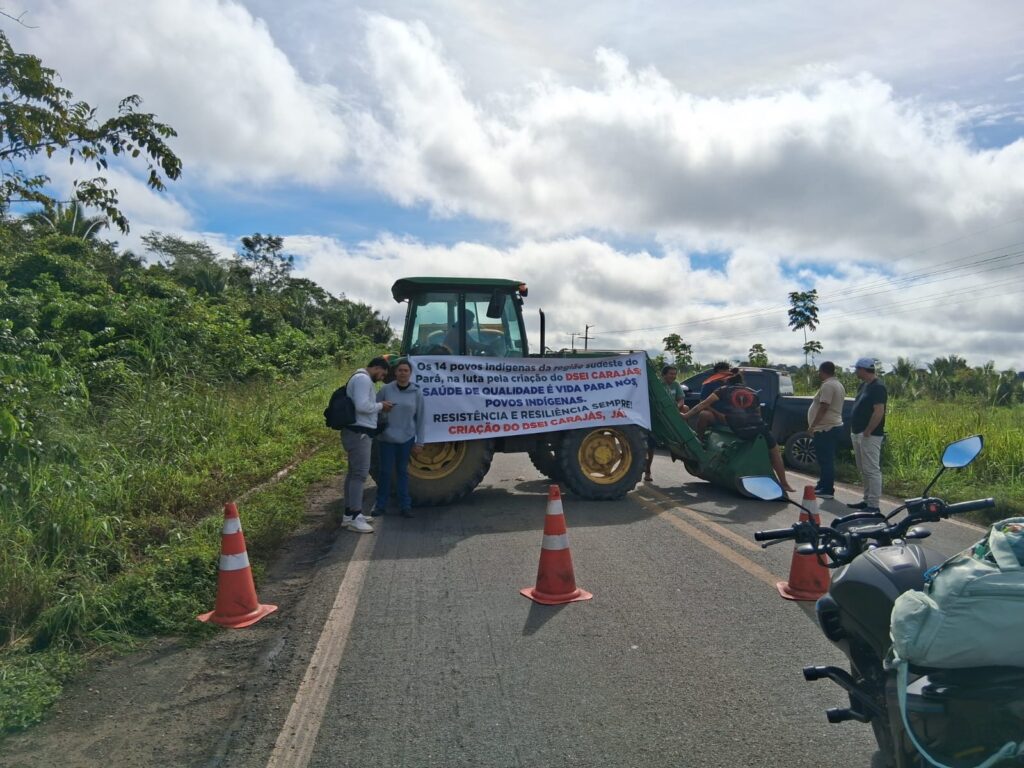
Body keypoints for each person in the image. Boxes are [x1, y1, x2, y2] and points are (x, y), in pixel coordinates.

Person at [686, 369, 795, 492]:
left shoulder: (722, 390)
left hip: (739, 428)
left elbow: (702, 405)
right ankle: (784, 483)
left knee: (705, 415)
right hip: (759, 427)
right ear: (741, 381)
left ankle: (700, 441)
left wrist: (686, 416)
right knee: (775, 452)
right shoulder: (753, 393)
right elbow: (758, 414)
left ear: (727, 380)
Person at [340, 356, 393, 533]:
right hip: (359, 433)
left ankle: (349, 515)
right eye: (382, 374)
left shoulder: (358, 378)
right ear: (377, 367)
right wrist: (381, 406)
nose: (381, 378)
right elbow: (362, 406)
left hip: (356, 432)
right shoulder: (363, 379)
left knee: (353, 474)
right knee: (360, 475)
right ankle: (355, 517)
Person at [371, 359, 425, 518]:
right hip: (386, 438)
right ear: (395, 373)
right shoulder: (386, 390)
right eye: (400, 370)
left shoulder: (416, 392)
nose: (402, 373)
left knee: (402, 471)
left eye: (406, 370)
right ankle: (380, 505)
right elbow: (373, 408)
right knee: (385, 472)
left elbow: (421, 418)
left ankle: (405, 506)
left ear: (410, 373)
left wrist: (419, 442)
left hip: (406, 439)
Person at [847, 357, 887, 514]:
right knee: (863, 468)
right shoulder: (864, 385)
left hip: (870, 435)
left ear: (863, 369)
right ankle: (866, 500)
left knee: (872, 470)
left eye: (857, 369)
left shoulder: (878, 387)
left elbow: (879, 411)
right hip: (858, 433)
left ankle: (874, 505)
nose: (855, 372)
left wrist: (868, 430)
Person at [807, 361, 846, 499]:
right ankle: (822, 484)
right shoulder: (837, 384)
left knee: (826, 460)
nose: (818, 374)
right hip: (831, 426)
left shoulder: (828, 385)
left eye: (819, 371)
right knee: (824, 459)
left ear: (823, 371)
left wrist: (813, 425)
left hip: (826, 428)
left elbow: (824, 407)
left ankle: (827, 489)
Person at [644, 364, 690, 482]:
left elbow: (681, 399)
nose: (673, 376)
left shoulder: (676, 385)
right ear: (664, 375)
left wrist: (676, 407)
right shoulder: (657, 385)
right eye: (671, 374)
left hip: (672, 415)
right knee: (651, 446)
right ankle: (648, 471)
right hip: (657, 417)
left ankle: (684, 437)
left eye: (675, 374)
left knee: (685, 408)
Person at [688, 362, 735, 436]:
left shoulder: (732, 383)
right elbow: (703, 403)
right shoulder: (708, 384)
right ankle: (699, 439)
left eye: (726, 373)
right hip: (715, 415)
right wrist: (718, 414)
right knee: (704, 414)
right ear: (716, 374)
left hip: (730, 415)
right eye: (721, 374)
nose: (724, 376)